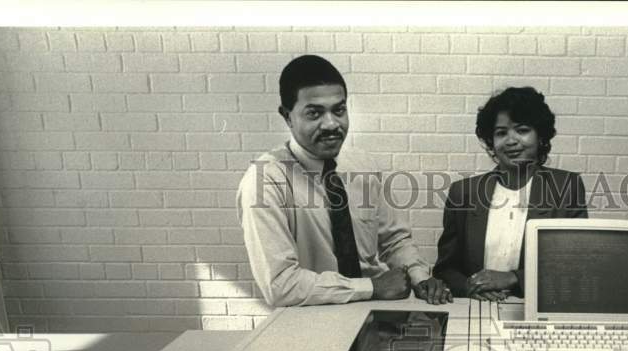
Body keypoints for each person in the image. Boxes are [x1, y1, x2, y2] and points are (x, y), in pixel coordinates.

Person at [237, 55, 451, 307]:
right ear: (287, 117)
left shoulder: (363, 166)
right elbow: (280, 285)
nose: (331, 124)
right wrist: (371, 286)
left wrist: (419, 277)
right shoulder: (265, 181)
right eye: (314, 113)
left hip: (374, 312)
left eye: (338, 110)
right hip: (308, 322)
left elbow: (394, 241)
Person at [432, 86, 588, 301]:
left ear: (541, 136)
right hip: (477, 307)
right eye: (501, 133)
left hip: (537, 308)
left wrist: (514, 278)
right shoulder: (463, 192)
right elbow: (445, 269)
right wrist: (470, 286)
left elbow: (576, 266)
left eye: (522, 130)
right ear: (491, 142)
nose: (511, 140)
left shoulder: (566, 186)